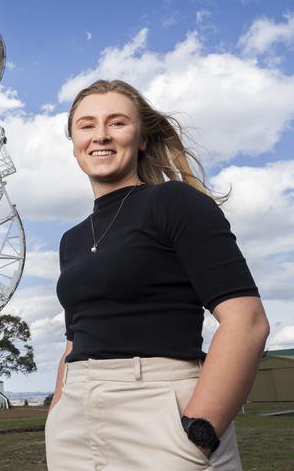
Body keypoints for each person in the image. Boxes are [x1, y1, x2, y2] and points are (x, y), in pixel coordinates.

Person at [44, 79, 270, 471]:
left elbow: (247, 322)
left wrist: (201, 431)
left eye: (116, 123)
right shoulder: (72, 240)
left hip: (159, 409)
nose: (100, 135)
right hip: (75, 422)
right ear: (74, 141)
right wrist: (59, 408)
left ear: (142, 138)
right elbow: (74, 338)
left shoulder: (175, 203)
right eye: (86, 125)